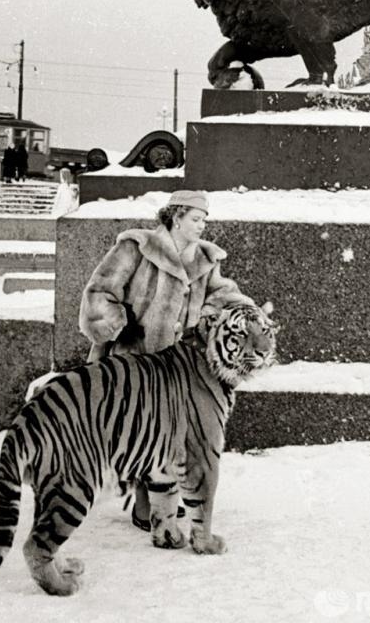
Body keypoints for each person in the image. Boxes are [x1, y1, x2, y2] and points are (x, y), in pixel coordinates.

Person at [79, 189, 253, 530]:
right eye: (196, 219)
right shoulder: (137, 247)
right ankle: (144, 505)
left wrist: (217, 311)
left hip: (182, 365)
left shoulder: (205, 259)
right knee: (144, 432)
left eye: (205, 220)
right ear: (176, 216)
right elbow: (99, 292)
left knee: (175, 434)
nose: (203, 226)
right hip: (136, 359)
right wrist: (118, 323)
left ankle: (164, 504)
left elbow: (225, 294)